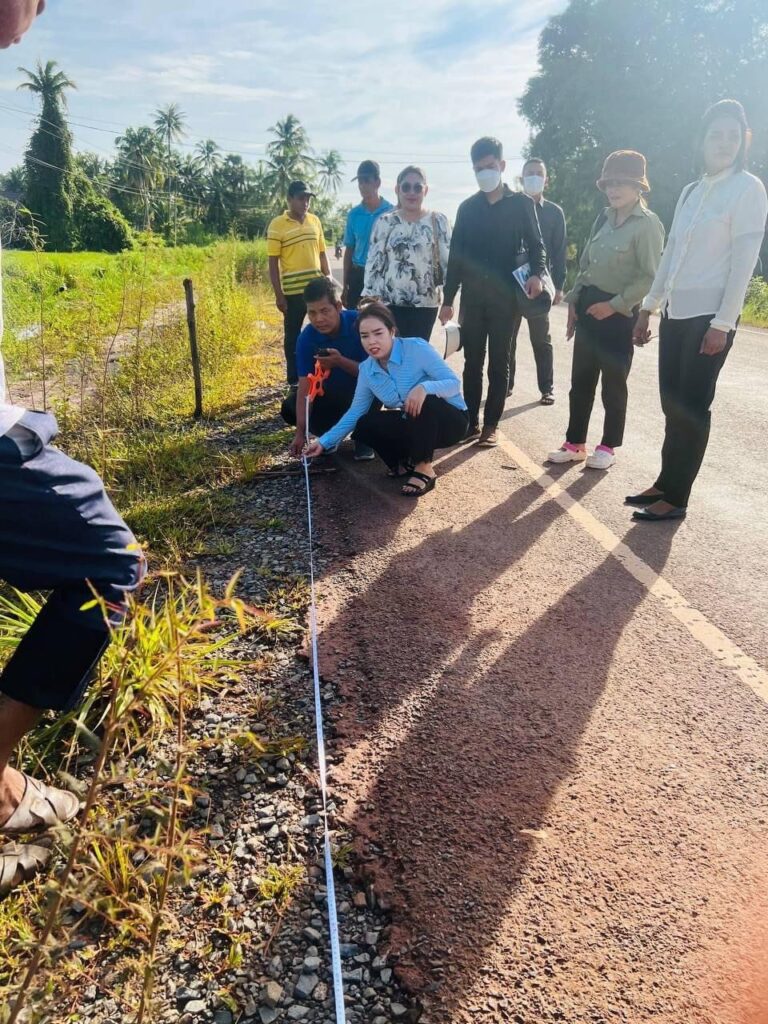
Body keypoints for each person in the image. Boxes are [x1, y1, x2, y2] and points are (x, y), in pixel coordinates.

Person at [628, 100, 768, 521]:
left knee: (692, 406)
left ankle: (677, 497)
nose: (724, 143)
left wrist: (722, 323)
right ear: (701, 141)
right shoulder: (691, 191)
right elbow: (671, 252)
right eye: (715, 135)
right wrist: (649, 307)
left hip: (710, 317)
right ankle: (664, 482)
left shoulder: (748, 189)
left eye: (732, 136)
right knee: (672, 403)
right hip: (676, 312)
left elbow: (744, 261)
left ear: (743, 141)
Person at [547, 150, 664, 469]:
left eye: (621, 183)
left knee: (613, 384)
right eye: (610, 183)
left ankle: (608, 447)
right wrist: (574, 301)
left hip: (619, 313)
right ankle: (575, 443)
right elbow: (586, 266)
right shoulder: (603, 218)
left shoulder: (647, 225)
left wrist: (613, 306)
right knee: (581, 383)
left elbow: (650, 277)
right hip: (588, 306)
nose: (614, 189)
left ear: (638, 186)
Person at [439, 137, 547, 448]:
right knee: (472, 362)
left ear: (501, 165)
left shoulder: (522, 204)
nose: (484, 173)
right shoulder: (467, 208)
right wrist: (448, 299)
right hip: (473, 299)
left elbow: (538, 246)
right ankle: (471, 422)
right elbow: (456, 258)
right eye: (478, 169)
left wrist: (537, 275)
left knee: (500, 363)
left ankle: (491, 425)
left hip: (506, 300)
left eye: (489, 166)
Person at [304, 301, 468, 497]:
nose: (372, 341)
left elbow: (453, 383)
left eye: (378, 333)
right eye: (365, 336)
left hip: (450, 422)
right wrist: (323, 442)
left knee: (422, 400)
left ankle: (424, 468)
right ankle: (403, 463)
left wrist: (424, 388)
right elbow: (355, 411)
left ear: (392, 331)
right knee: (366, 423)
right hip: (416, 423)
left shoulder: (416, 348)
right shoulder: (367, 370)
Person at [281, 276, 373, 461]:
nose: (319, 319)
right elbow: (305, 389)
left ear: (338, 307)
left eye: (324, 311)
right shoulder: (307, 338)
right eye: (312, 313)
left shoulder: (360, 324)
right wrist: (300, 433)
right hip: (332, 397)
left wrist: (340, 362)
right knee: (290, 407)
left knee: (374, 389)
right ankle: (329, 437)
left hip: (365, 393)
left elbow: (377, 374)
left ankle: (365, 436)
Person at [362, 166, 450, 342]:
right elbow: (374, 265)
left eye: (417, 187)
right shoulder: (385, 222)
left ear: (425, 190)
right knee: (392, 353)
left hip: (425, 306)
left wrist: (448, 302)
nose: (412, 192)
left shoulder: (438, 221)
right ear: (397, 190)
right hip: (389, 305)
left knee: (417, 353)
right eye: (406, 187)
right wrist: (369, 303)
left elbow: (448, 264)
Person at [507, 158, 567, 406]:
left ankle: (547, 388)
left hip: (538, 285)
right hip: (511, 284)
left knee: (541, 339)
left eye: (538, 174)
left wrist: (559, 285)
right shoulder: (510, 208)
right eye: (529, 173)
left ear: (546, 180)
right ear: (521, 178)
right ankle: (506, 385)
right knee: (507, 338)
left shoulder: (554, 212)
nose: (534, 177)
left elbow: (559, 251)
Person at [267, 180, 330, 387]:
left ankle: (319, 374)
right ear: (290, 199)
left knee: (322, 330)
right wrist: (279, 295)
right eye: (301, 198)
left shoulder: (315, 221)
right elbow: (273, 263)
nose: (305, 203)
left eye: (308, 198)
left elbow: (322, 253)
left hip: (317, 289)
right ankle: (294, 379)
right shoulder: (277, 225)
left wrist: (329, 279)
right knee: (293, 335)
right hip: (293, 293)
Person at [342, 160, 393, 311]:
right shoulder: (353, 214)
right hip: (358, 275)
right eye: (360, 182)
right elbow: (349, 249)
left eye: (366, 181)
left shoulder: (391, 213)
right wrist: (345, 285)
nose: (363, 186)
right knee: (355, 318)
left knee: (380, 318)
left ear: (377, 182)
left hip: (382, 275)